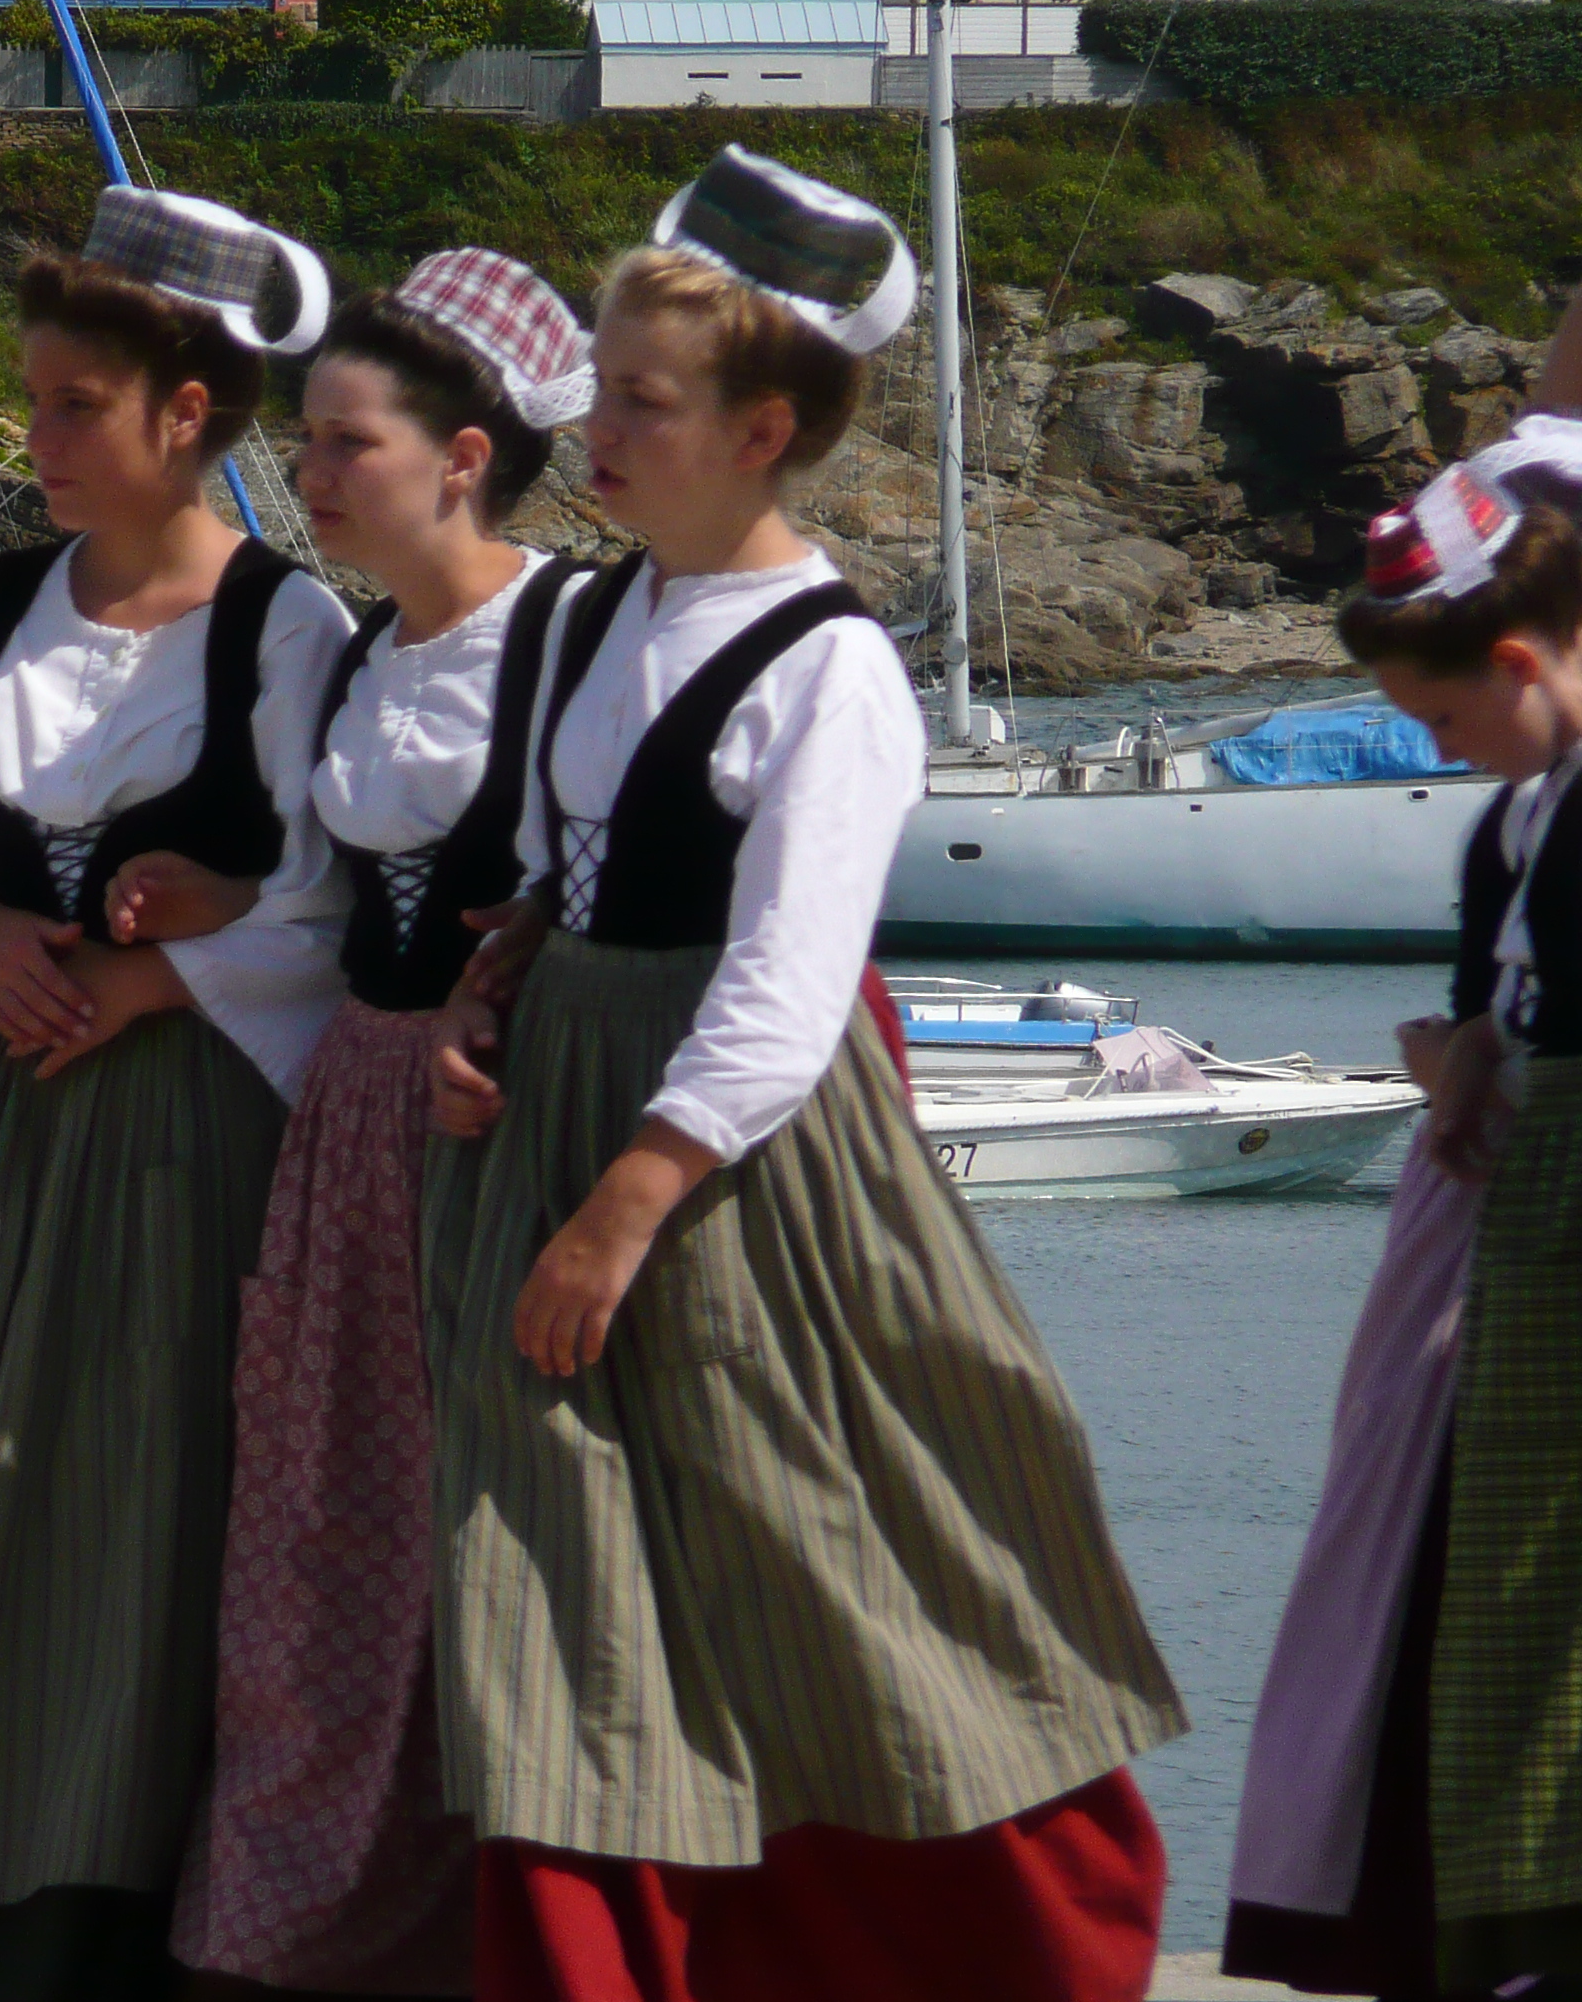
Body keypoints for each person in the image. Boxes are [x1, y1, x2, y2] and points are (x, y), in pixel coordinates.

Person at [422, 145, 1188, 2002]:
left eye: (642, 403)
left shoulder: (832, 669)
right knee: (549, 1576)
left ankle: (977, 1947)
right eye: (598, 389)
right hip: (568, 1123)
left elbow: (784, 985)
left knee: (828, 1554)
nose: (593, 429)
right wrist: (494, 982)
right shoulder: (595, 614)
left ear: (766, 430)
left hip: (735, 1170)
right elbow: (558, 865)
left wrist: (625, 1203)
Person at [0, 182, 352, 2000]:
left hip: (182, 1121)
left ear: (186, 417)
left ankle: (118, 1920)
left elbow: (321, 898)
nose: (33, 437)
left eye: (72, 407)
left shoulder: (285, 633)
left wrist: (136, 974)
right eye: (34, 397)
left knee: (132, 1498)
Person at [171, 250, 597, 2001]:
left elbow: (622, 887)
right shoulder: (357, 654)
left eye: (349, 443)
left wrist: (521, 992)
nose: (312, 474)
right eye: (316, 441)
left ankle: (511, 1919)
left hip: (502, 1126)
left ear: (467, 456)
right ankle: (302, 1924)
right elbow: (312, 895)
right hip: (355, 1113)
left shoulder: (576, 637)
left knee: (498, 1534)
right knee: (324, 1521)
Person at [1223, 411, 1582, 2002]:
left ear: (1520, 663)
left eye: (1439, 714)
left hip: (1554, 1243)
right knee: (1473, 1594)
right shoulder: (1522, 823)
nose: (1432, 751)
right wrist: (1473, 1055)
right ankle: (1488, 1926)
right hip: (1504, 1259)